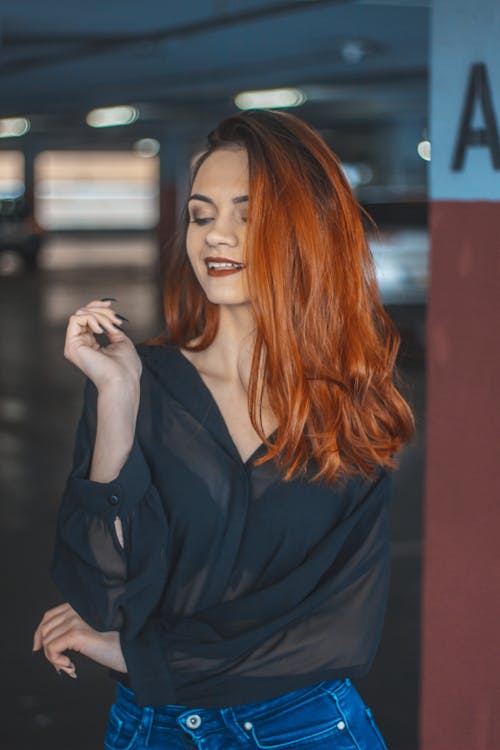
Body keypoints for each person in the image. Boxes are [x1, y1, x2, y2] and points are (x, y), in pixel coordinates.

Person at [32, 109, 415, 749]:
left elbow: (333, 633)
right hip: (157, 729)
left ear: (304, 231)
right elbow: (103, 592)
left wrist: (145, 656)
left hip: (307, 728)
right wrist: (119, 401)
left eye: (248, 214)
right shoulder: (138, 381)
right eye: (202, 215)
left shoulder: (350, 405)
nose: (218, 236)